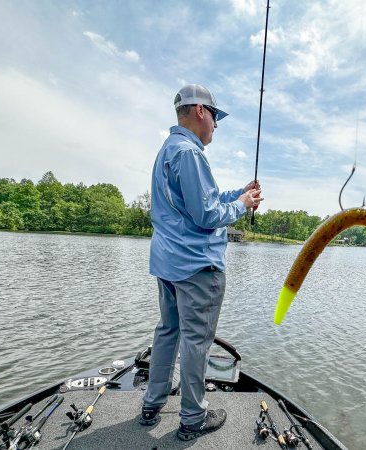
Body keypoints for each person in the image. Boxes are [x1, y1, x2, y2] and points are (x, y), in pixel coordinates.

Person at [140, 84, 264, 441]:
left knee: (168, 331)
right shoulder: (191, 154)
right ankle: (192, 417)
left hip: (167, 263)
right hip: (196, 267)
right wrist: (241, 206)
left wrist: (239, 194)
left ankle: (152, 403)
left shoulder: (168, 149)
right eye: (215, 117)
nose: (216, 126)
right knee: (197, 341)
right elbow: (208, 213)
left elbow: (201, 198)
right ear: (200, 112)